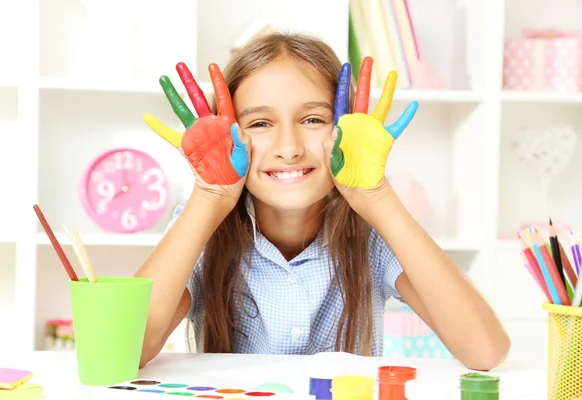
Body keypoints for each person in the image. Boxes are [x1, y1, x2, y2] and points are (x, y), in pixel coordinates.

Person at [134, 32, 510, 370]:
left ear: (344, 126)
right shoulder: (202, 223)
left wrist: (377, 198)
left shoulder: (371, 230)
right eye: (261, 124)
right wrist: (208, 196)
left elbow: (484, 351)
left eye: (313, 119)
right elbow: (127, 349)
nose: (288, 149)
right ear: (228, 134)